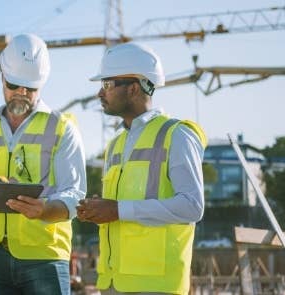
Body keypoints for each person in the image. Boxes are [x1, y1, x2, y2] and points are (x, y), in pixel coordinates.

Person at [0, 34, 87, 295]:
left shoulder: (62, 128)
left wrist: (45, 209)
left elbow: (75, 194)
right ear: (2, 77)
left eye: (30, 88)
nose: (22, 93)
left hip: (44, 258)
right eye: (14, 85)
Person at [76, 42, 207, 295]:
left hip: (156, 285)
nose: (99, 94)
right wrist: (97, 210)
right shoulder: (116, 144)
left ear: (134, 88)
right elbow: (120, 209)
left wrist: (116, 210)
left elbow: (192, 206)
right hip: (115, 283)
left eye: (106, 85)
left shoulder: (176, 135)